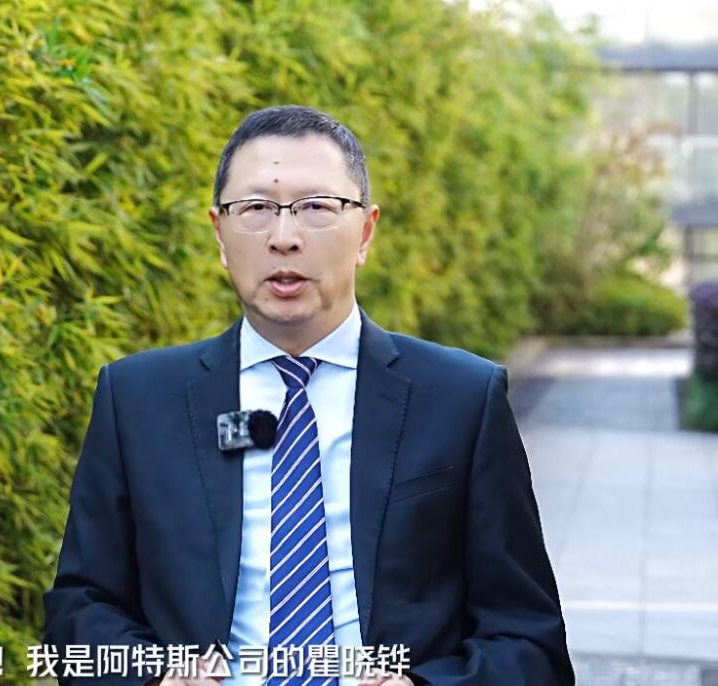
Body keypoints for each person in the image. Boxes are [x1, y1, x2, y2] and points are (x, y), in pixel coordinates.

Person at [42, 105, 573, 686]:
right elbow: (80, 609)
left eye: (316, 208)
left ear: (365, 231)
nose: (284, 238)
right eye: (255, 209)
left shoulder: (460, 399)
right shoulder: (139, 400)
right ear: (219, 234)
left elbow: (529, 642)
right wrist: (155, 677)